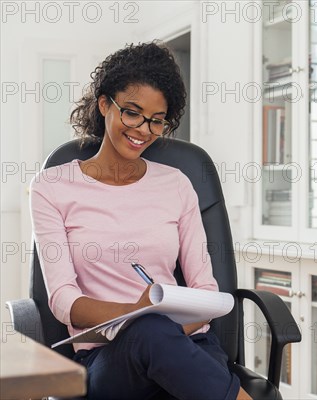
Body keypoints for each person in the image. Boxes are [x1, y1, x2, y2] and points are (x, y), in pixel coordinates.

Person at [30, 41, 252, 400]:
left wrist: (163, 332)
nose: (143, 130)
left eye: (157, 120)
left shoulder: (177, 184)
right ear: (105, 105)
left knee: (156, 336)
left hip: (185, 342)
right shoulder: (52, 186)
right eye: (132, 112)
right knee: (149, 330)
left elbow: (206, 291)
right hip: (108, 359)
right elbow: (64, 301)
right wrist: (138, 315)